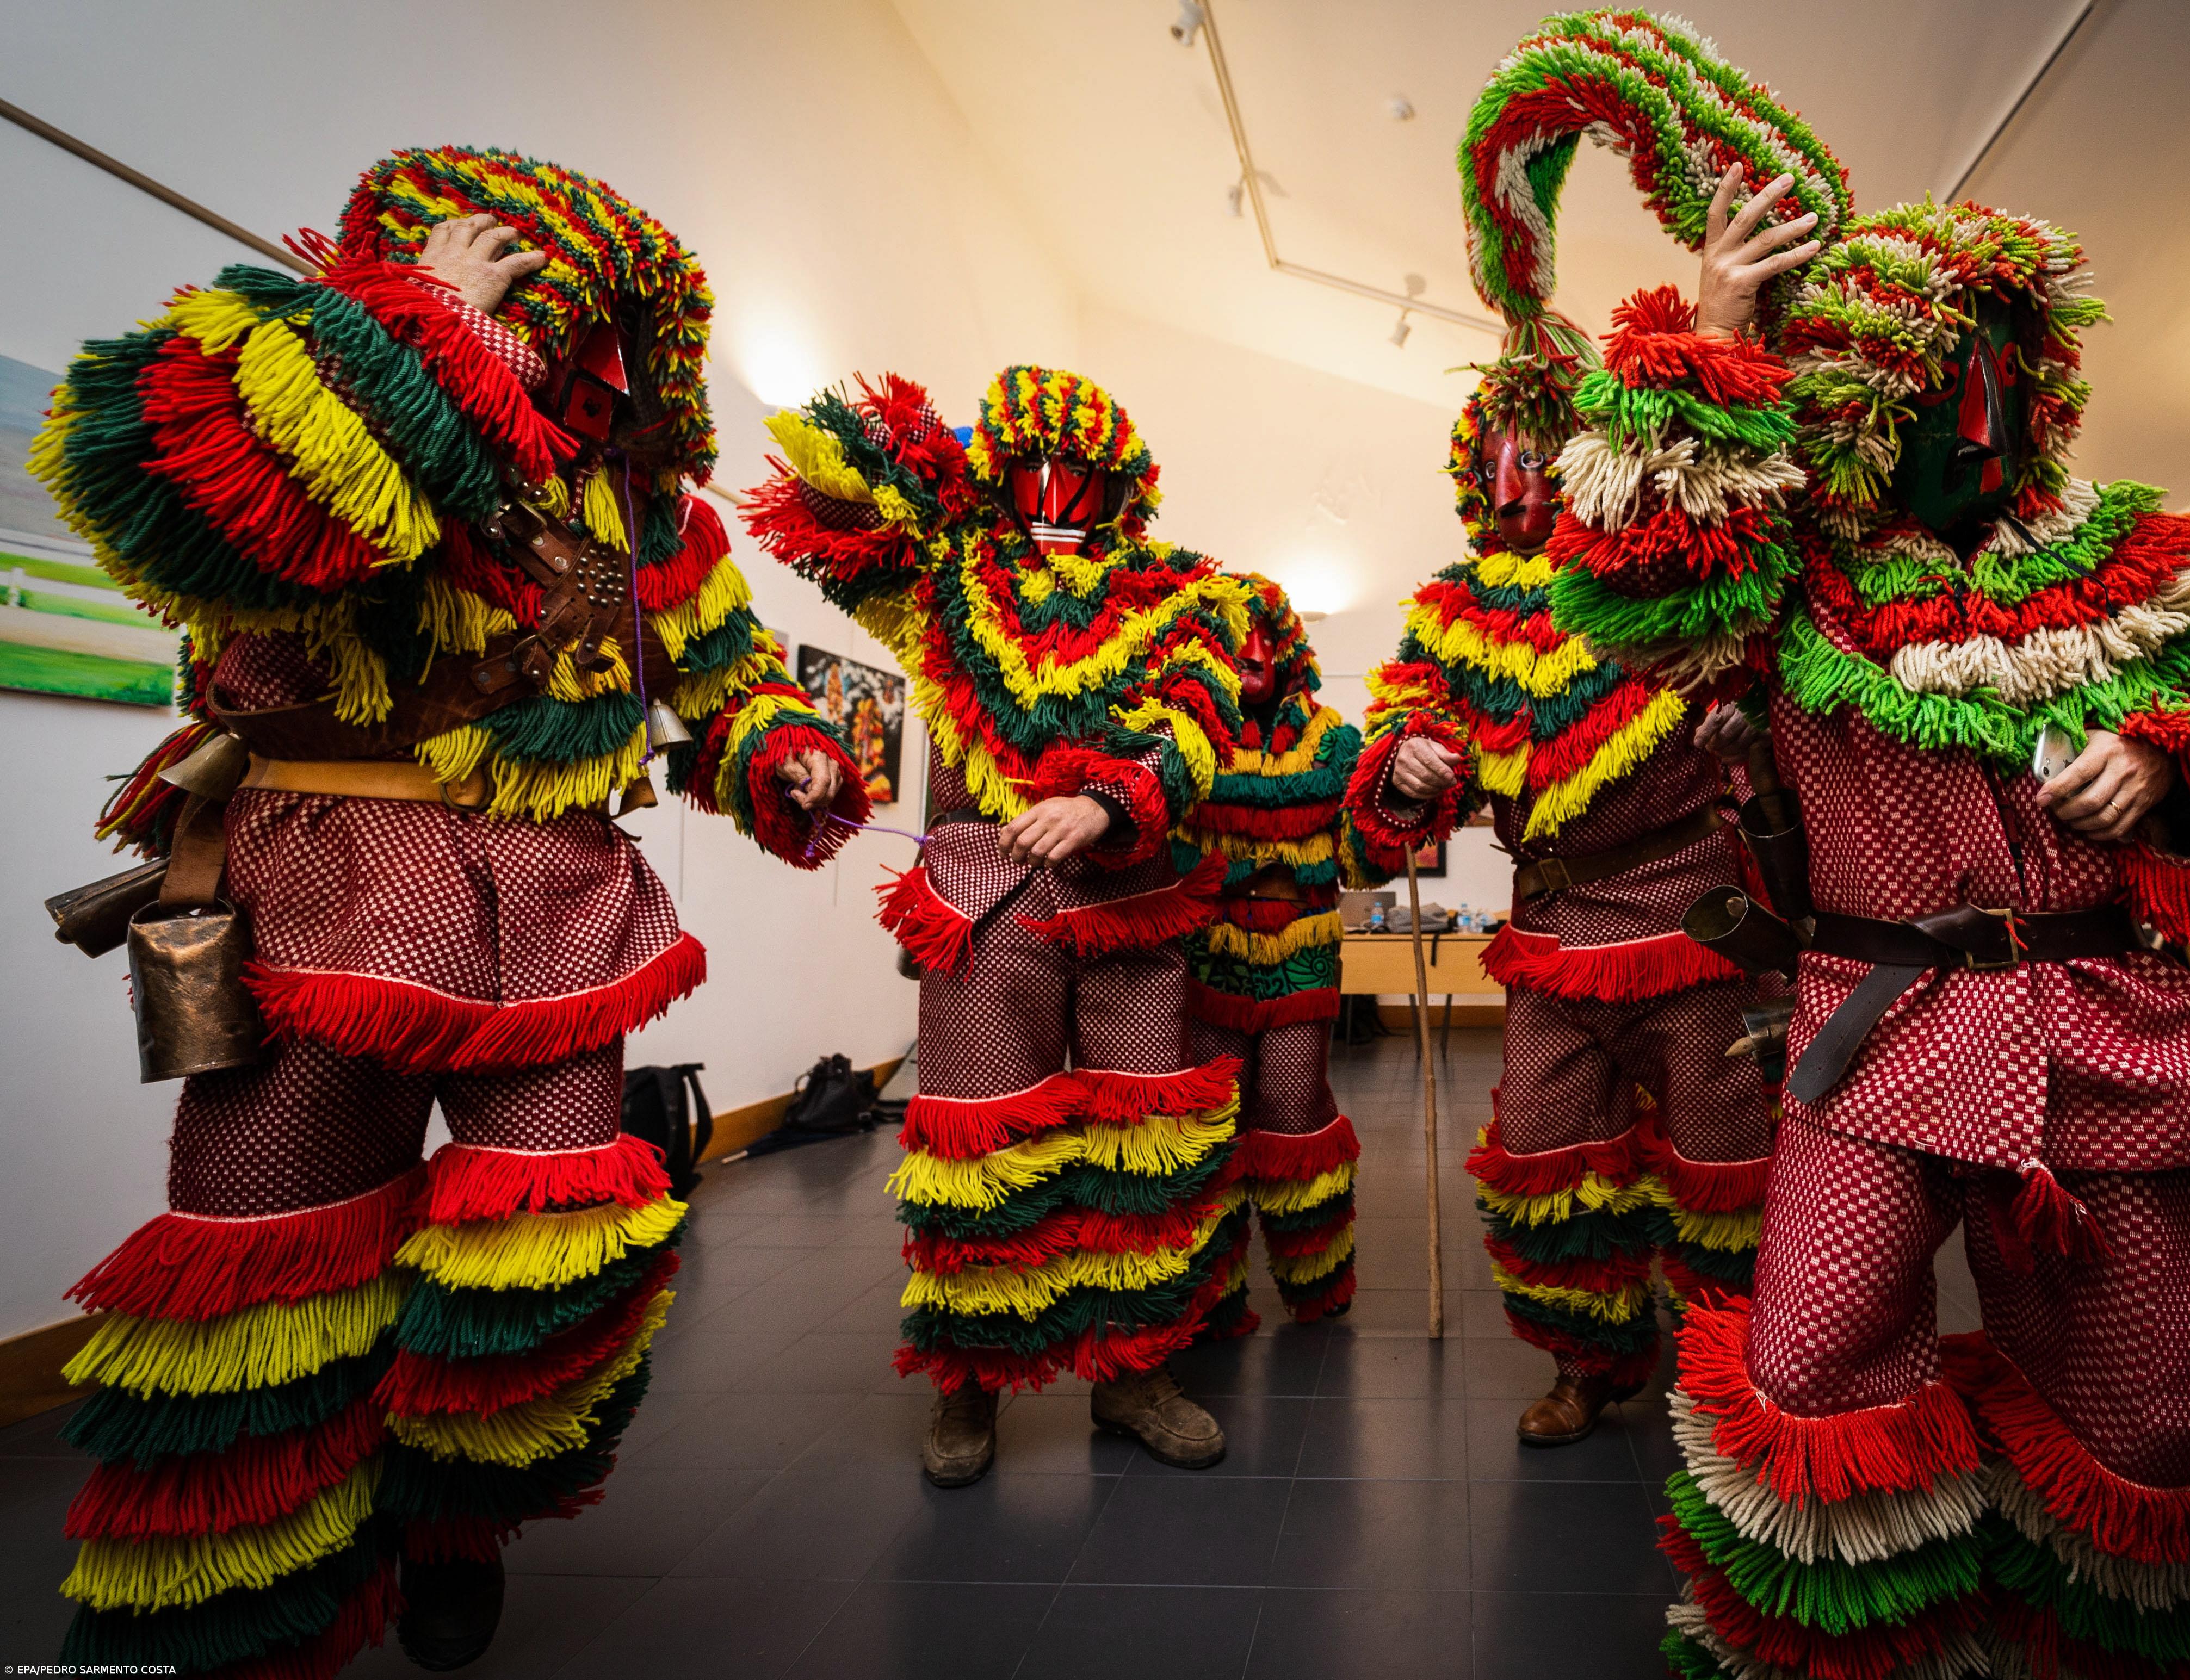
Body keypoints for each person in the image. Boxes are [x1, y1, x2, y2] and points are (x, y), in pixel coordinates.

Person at [1457, 15, 2190, 1675]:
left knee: (2142, 1406)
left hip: (2119, 1043)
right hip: (1875, 1036)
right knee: (1808, 1368)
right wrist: (1716, 335)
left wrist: (2168, 767)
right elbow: (1644, 584)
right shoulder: (1786, 576)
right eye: (1942, 373)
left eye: (2007, 366)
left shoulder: (2132, 566)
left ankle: (2087, 1642)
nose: (1979, 409)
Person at [35, 146, 859, 1675]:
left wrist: (789, 755)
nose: (568, 333)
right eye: (532, 289)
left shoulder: (638, 502)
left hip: (560, 902)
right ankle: (240, 1589)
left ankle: (455, 1529)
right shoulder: (284, 355)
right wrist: (417, 332)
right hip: (319, 888)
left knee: (544, 1252)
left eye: (591, 310)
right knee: (271, 1246)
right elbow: (198, 509)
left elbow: (729, 679)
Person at [744, 365, 1246, 1486]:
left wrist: (1109, 799)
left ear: (1123, 488)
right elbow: (824, 527)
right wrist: (887, 448)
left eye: (1082, 482)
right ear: (996, 475)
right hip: (982, 900)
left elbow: (1196, 725)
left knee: (1141, 1157)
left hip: (1134, 902)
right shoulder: (940, 577)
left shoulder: (1182, 596)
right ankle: (969, 1385)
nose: (1056, 502)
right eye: (1029, 475)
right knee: (976, 1145)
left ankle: (1135, 1377)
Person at [1345, 302, 1778, 1447]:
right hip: (1549, 922)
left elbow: (1756, 687)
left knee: (1725, 1153)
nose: (1525, 483)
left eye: (1547, 457)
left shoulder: (1665, 573)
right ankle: (1590, 1360)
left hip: (1690, 907)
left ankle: (1726, 1359)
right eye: (1506, 460)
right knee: (1542, 1151)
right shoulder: (1452, 607)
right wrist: (1409, 759)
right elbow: (1393, 739)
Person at [1177, 575, 1384, 1334]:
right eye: (1236, 638)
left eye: (1268, 636)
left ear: (1293, 648)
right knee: (1213, 1114)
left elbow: (1368, 850)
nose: (1253, 653)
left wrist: (1402, 801)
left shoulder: (1333, 740)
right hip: (1209, 950)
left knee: (1294, 1106)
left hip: (1301, 946)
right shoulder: (1186, 737)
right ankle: (1212, 1290)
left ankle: (1315, 1277)